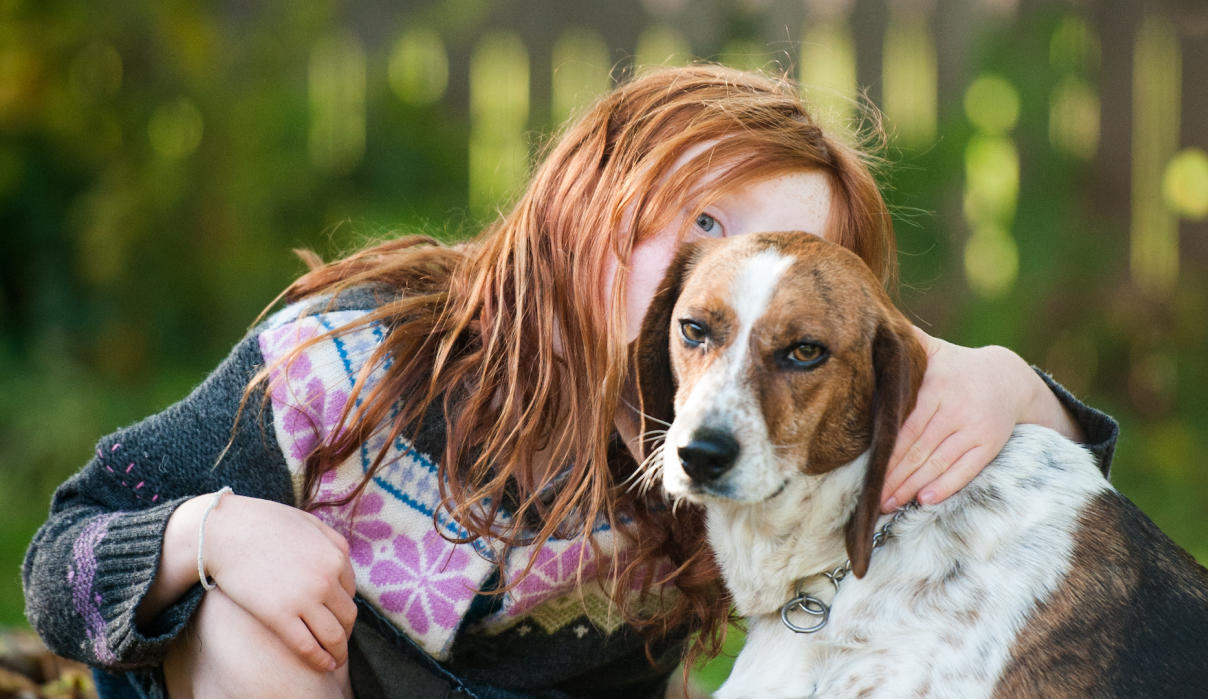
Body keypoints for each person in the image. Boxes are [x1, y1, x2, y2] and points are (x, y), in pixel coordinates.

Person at [23, 65, 1117, 698]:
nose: (723, 278)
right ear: (586, 201)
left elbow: (1013, 477)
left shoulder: (760, 413)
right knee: (232, 624)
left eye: (782, 268)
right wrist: (213, 532)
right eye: (702, 223)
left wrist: (1016, 386)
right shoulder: (356, 362)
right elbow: (60, 558)